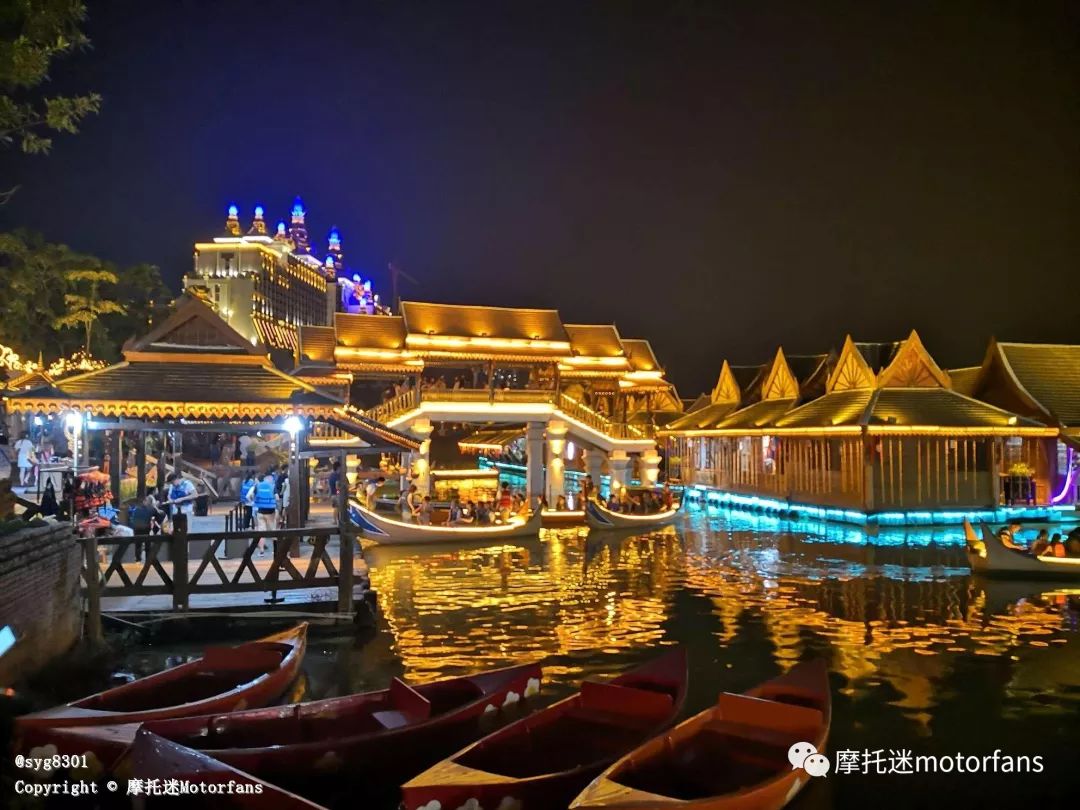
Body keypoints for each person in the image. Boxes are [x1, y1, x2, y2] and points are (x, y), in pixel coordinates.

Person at [247, 470, 278, 554]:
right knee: (273, 530)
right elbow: (277, 497)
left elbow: (251, 496)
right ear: (268, 478)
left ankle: (261, 550)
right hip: (271, 511)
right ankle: (275, 551)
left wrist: (254, 502)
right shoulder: (272, 486)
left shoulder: (258, 486)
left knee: (261, 531)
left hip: (260, 511)